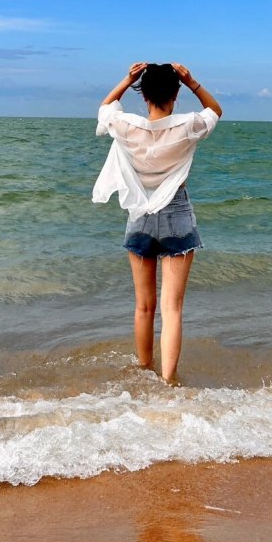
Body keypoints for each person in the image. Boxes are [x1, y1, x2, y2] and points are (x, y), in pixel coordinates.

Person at [93, 61, 223, 383]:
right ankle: (168, 382)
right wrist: (192, 81)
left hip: (139, 216)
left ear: (144, 95)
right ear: (175, 95)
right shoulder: (187, 125)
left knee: (144, 307)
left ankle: (144, 372)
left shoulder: (127, 127)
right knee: (173, 308)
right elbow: (215, 110)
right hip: (177, 212)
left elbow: (105, 107)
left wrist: (127, 78)